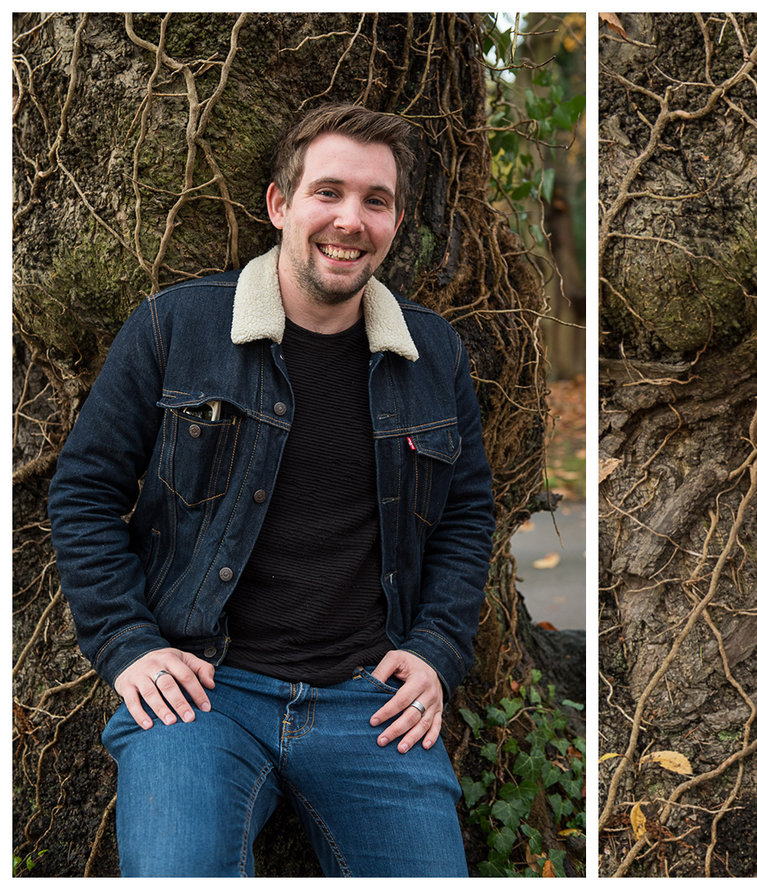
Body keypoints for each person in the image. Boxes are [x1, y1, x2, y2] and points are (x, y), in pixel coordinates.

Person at [48, 102, 492, 876]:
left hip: (372, 702)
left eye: (375, 201)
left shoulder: (433, 355)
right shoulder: (174, 328)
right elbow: (83, 491)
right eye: (328, 192)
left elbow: (466, 515)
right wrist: (127, 646)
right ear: (280, 206)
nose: (350, 220)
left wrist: (437, 651)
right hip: (202, 693)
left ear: (394, 220)